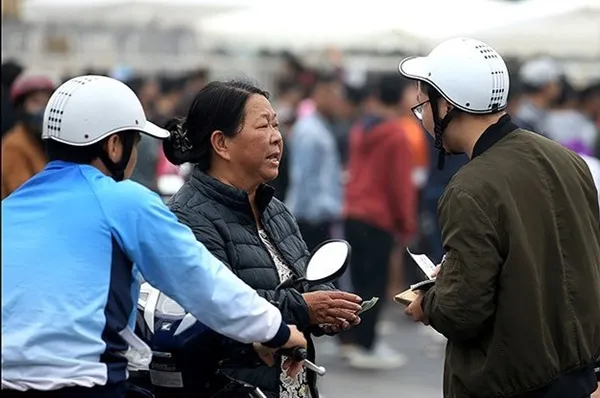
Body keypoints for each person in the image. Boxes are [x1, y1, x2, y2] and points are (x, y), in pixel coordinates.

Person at [1, 75, 307, 398]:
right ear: (114, 146)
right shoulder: (123, 201)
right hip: (84, 385)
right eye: (135, 142)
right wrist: (276, 329)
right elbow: (201, 279)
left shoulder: (10, 208)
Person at [399, 38, 600, 398]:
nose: (422, 117)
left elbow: (462, 311)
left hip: (511, 381)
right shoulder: (567, 160)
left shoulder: (469, 187)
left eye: (422, 105)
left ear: (446, 105)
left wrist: (428, 303)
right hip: (578, 374)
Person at [164, 80, 362, 398]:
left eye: (276, 125)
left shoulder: (275, 210)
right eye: (263, 126)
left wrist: (328, 307)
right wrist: (303, 308)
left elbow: (302, 279)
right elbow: (218, 305)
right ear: (221, 143)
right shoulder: (187, 217)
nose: (277, 138)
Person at [342, 74, 417, 370]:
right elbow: (400, 183)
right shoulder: (396, 133)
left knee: (357, 281)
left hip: (353, 210)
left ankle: (354, 341)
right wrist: (407, 223)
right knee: (374, 283)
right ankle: (367, 345)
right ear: (399, 98)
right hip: (378, 216)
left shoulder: (363, 127)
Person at [286, 72, 344, 252]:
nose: (338, 100)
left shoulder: (319, 127)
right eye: (334, 94)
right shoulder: (310, 131)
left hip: (319, 217)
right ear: (320, 94)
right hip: (310, 219)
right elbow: (302, 175)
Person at [2, 74, 55, 199]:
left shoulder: (47, 140)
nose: (43, 108)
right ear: (21, 107)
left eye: (46, 101)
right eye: (35, 101)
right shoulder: (14, 144)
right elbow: (23, 194)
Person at [513, 56, 564, 136]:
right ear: (545, 87)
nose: (559, 86)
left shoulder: (541, 112)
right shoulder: (524, 117)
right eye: (555, 83)